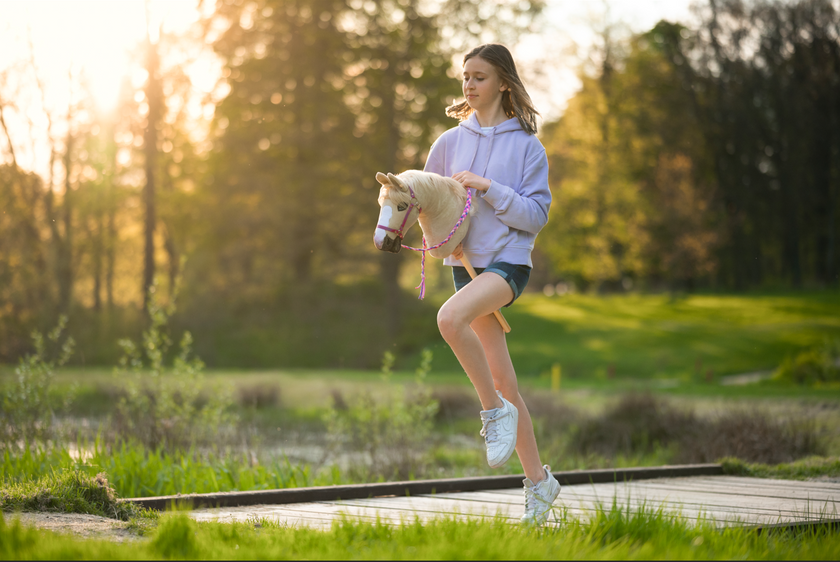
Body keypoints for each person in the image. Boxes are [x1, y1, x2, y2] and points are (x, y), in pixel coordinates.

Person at [423, 43, 559, 526]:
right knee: (505, 381)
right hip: (466, 267)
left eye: (479, 76)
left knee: (449, 317)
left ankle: (492, 414)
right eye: (465, 77)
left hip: (508, 265)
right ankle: (540, 483)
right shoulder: (447, 143)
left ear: (503, 82)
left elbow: (536, 216)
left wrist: (488, 187)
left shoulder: (527, 146)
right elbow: (431, 213)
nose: (469, 85)